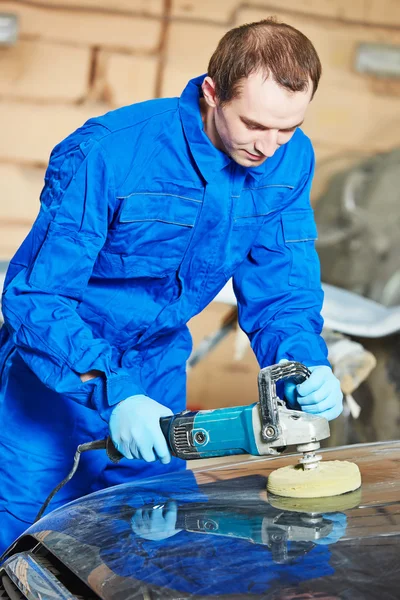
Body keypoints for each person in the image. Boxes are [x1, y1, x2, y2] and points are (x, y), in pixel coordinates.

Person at [0, 17, 343, 554]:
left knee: (149, 539)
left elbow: (282, 290)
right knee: (18, 537)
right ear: (211, 93)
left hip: (157, 371)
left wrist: (302, 364)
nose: (270, 146)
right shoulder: (109, 152)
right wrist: (115, 393)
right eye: (254, 124)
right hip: (54, 374)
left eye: (289, 128)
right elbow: (37, 300)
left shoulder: (289, 159)